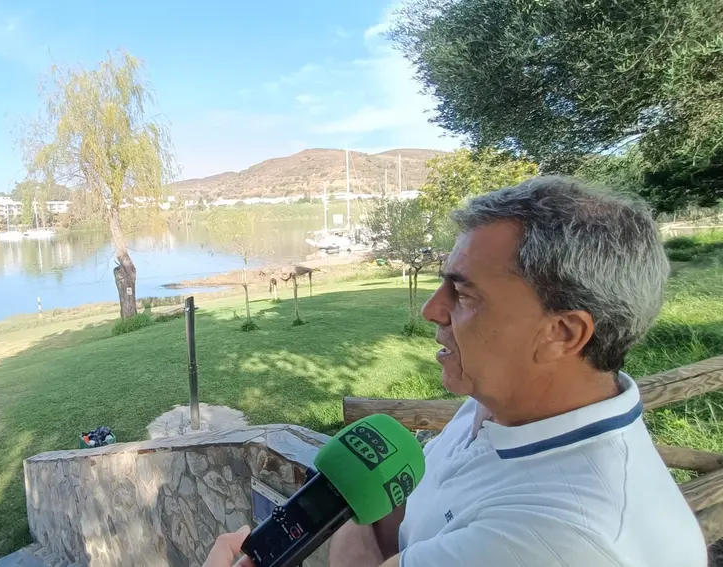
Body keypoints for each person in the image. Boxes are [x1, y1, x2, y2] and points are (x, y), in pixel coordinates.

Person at [202, 177, 708, 567]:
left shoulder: (559, 537)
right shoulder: (498, 402)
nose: (431, 310)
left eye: (463, 293)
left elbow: (374, 532)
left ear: (562, 334)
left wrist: (349, 517)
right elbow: (405, 513)